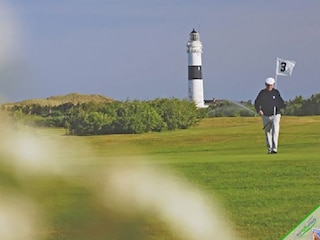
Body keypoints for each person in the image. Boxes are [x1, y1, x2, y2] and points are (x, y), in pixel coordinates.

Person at [254, 77, 285, 154]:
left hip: (275, 115)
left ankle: (274, 149)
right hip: (265, 115)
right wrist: (259, 110)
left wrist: (281, 108)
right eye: (268, 85)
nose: (269, 87)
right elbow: (257, 102)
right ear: (265, 85)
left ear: (273, 85)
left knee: (275, 131)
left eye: (271, 85)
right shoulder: (262, 93)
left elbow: (281, 103)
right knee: (268, 132)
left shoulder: (276, 92)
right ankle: (269, 149)